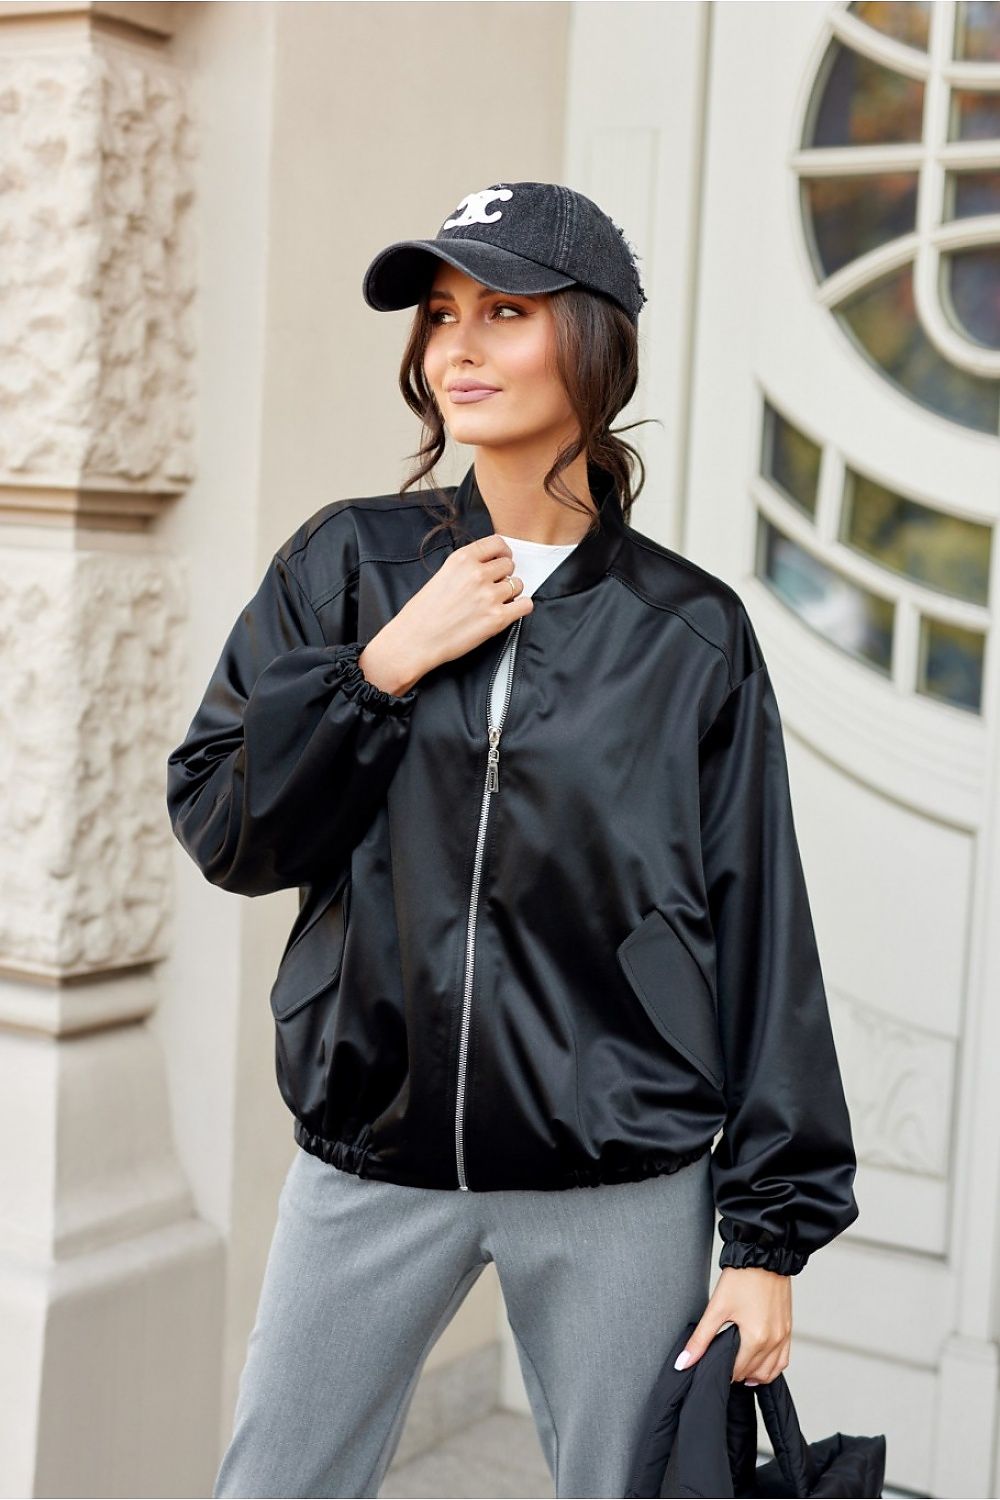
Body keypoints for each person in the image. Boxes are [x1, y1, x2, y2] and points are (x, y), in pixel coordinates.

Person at [165, 181, 860, 1499]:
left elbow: (763, 931)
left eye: (503, 312)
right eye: (440, 317)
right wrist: (380, 668)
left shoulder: (688, 633)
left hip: (618, 1171)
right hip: (372, 1151)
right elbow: (224, 824)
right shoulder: (349, 567)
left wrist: (769, 1239)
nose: (458, 350)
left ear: (591, 343)